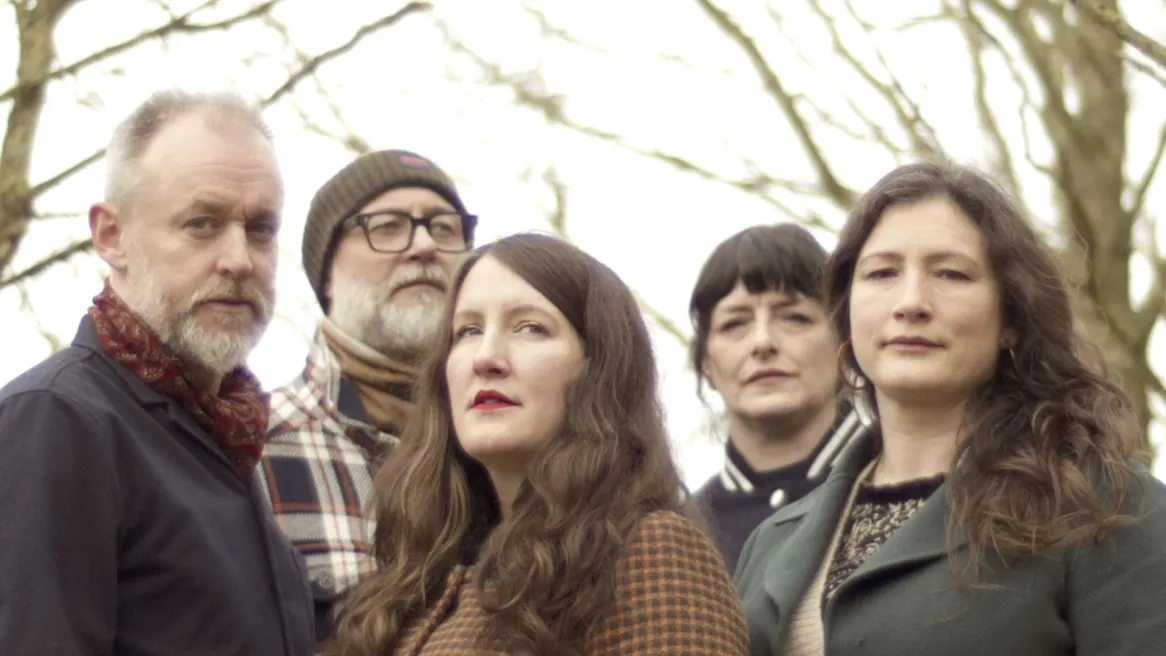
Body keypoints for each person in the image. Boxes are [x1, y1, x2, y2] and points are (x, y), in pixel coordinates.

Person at [734, 161, 1166, 655]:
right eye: (882, 273)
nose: (911, 301)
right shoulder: (772, 543)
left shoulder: (1108, 509)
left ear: (1012, 320)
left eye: (951, 274)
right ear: (848, 314)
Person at [327, 233, 749, 655]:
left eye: (530, 328)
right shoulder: (415, 581)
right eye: (468, 330)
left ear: (597, 370)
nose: (485, 357)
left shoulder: (652, 554)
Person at [0, 90, 314, 654]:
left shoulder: (228, 433)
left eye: (261, 229)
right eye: (202, 223)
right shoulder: (58, 418)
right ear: (111, 237)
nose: (239, 259)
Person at [256, 149, 477, 642]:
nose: (424, 246)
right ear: (326, 276)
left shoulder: (520, 452)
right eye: (389, 227)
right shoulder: (248, 449)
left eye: (445, 228)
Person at [689, 224, 868, 572]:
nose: (762, 342)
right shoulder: (681, 530)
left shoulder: (906, 487)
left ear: (844, 342)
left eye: (795, 318)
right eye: (733, 324)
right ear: (707, 363)